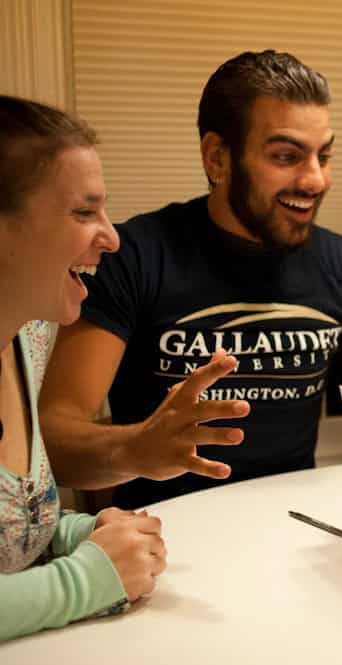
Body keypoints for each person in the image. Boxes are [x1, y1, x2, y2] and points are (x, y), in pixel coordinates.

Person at [39, 50, 342, 510]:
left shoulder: (341, 264)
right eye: (286, 156)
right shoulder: (135, 258)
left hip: (296, 530)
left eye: (324, 156)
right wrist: (133, 449)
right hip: (164, 539)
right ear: (217, 157)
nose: (316, 180)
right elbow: (53, 441)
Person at [0, 96, 167, 640]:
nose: (112, 238)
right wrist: (87, 578)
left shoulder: (30, 335)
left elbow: (15, 531)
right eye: (82, 212)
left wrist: (81, 532)